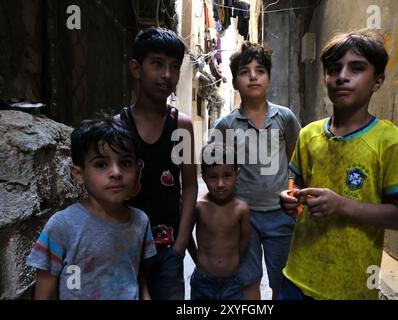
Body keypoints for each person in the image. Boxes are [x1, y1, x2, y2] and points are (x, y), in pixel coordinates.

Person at [279, 29, 398, 300]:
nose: (342, 76)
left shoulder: (388, 141)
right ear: (325, 78)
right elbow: (297, 187)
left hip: (351, 286)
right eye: (334, 69)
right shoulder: (308, 135)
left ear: (377, 81)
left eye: (357, 69)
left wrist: (342, 205)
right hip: (296, 275)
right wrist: (290, 199)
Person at [26, 118, 156, 299]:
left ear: (137, 169)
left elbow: (134, 271)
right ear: (79, 174)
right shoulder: (62, 226)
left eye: (125, 163)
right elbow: (44, 294)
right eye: (101, 164)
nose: (116, 173)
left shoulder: (141, 222)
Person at [211, 41, 301, 299]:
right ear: (234, 81)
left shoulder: (284, 118)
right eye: (244, 71)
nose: (252, 76)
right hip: (242, 216)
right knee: (248, 281)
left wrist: (293, 196)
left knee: (281, 282)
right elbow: (215, 168)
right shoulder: (226, 125)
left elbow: (294, 161)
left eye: (260, 70)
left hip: (281, 215)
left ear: (270, 79)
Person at [116, 27, 198, 300]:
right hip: (126, 247)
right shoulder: (118, 126)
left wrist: (181, 244)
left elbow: (189, 186)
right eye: (157, 64)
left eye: (175, 67)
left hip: (168, 250)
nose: (167, 75)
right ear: (136, 68)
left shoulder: (181, 126)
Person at [189, 143, 251, 300]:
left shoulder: (241, 209)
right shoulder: (199, 207)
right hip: (203, 281)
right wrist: (198, 259)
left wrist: (233, 261)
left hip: (232, 281)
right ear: (203, 176)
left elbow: (244, 241)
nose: (220, 184)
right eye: (213, 177)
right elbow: (186, 235)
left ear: (237, 175)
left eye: (227, 175)